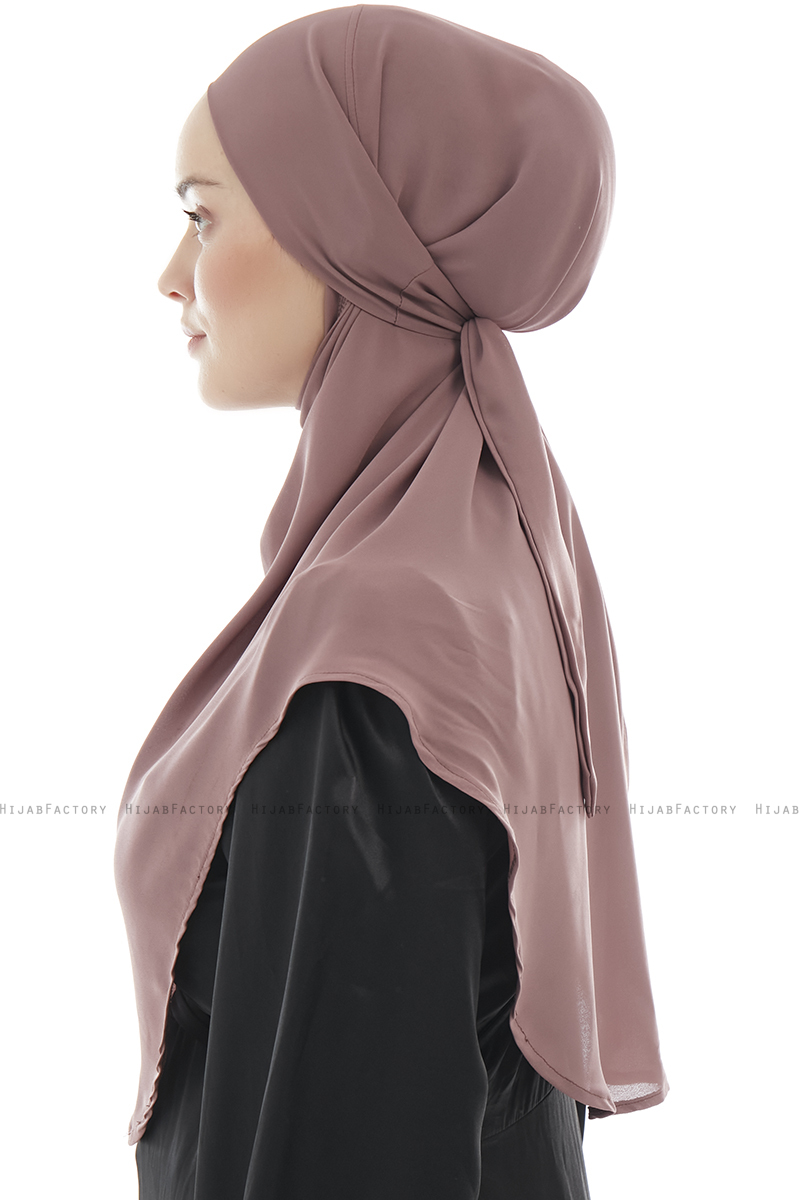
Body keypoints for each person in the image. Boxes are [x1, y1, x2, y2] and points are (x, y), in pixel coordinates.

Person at [114, 6, 668, 1198]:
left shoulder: (362, 668)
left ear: (347, 236)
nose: (169, 276)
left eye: (202, 216)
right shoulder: (490, 555)